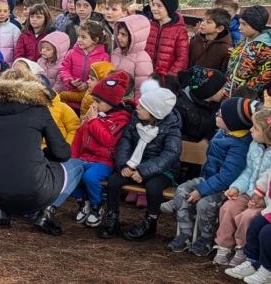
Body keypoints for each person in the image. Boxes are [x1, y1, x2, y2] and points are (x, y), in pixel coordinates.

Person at [0, 73, 76, 235]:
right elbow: (62, 153)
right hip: (35, 190)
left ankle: (3, 209)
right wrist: (44, 154)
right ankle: (46, 211)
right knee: (75, 166)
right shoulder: (40, 110)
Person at [164, 97, 252, 256]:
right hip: (208, 179)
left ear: (232, 122)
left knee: (205, 203)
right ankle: (185, 234)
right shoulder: (222, 133)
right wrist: (201, 187)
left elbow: (226, 176)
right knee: (183, 189)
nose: (216, 115)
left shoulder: (239, 146)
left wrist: (201, 191)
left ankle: (205, 238)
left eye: (220, 115)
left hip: (226, 188)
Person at [99, 79, 181, 241]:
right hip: (134, 165)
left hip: (161, 170)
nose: (137, 107)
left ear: (154, 112)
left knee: (153, 186)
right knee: (114, 181)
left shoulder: (172, 128)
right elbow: (125, 142)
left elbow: (170, 154)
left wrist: (143, 170)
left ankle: (150, 222)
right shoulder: (136, 119)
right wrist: (124, 164)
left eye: (142, 106)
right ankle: (112, 218)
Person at [70, 71, 134, 228]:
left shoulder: (121, 118)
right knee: (69, 173)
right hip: (84, 157)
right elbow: (79, 137)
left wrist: (93, 122)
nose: (94, 105)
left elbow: (108, 141)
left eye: (98, 101)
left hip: (103, 161)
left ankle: (96, 206)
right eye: (94, 100)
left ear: (111, 102)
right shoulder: (95, 115)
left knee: (90, 177)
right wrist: (73, 158)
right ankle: (83, 201)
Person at [213, 104, 270, 267]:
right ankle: (224, 246)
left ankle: (243, 250)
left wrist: (262, 199)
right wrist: (236, 187)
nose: (250, 130)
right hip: (248, 191)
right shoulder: (254, 146)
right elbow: (248, 171)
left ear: (267, 134)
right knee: (228, 208)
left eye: (255, 128)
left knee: (248, 217)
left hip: (264, 200)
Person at [59, 20, 111, 109]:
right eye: (78, 36)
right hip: (70, 99)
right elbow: (64, 69)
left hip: (90, 101)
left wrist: (87, 85)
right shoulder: (71, 53)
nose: (79, 40)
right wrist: (70, 81)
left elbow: (103, 78)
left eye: (83, 37)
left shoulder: (104, 57)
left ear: (95, 40)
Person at [170, 67, 228, 143]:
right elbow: (187, 133)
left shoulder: (218, 103)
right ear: (210, 91)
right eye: (221, 89)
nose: (225, 92)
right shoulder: (181, 107)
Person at [226, 5, 271, 100]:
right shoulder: (243, 41)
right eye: (239, 23)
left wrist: (246, 90)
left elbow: (266, 75)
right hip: (228, 93)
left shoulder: (264, 47)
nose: (239, 27)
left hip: (247, 99)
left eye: (244, 24)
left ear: (256, 25)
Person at [144, 0, 189, 77]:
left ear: (169, 8)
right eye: (153, 5)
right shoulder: (148, 25)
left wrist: (169, 78)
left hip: (165, 79)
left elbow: (182, 59)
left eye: (159, 6)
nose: (154, 8)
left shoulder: (179, 30)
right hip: (146, 75)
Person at [111, 14, 153, 97]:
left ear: (134, 37)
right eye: (118, 33)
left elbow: (142, 89)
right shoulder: (116, 52)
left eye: (123, 35)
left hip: (128, 103)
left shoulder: (142, 59)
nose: (118, 37)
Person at [188, 7, 232, 74]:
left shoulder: (225, 49)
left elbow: (222, 73)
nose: (202, 23)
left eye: (208, 22)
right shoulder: (196, 39)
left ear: (219, 28)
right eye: (203, 20)